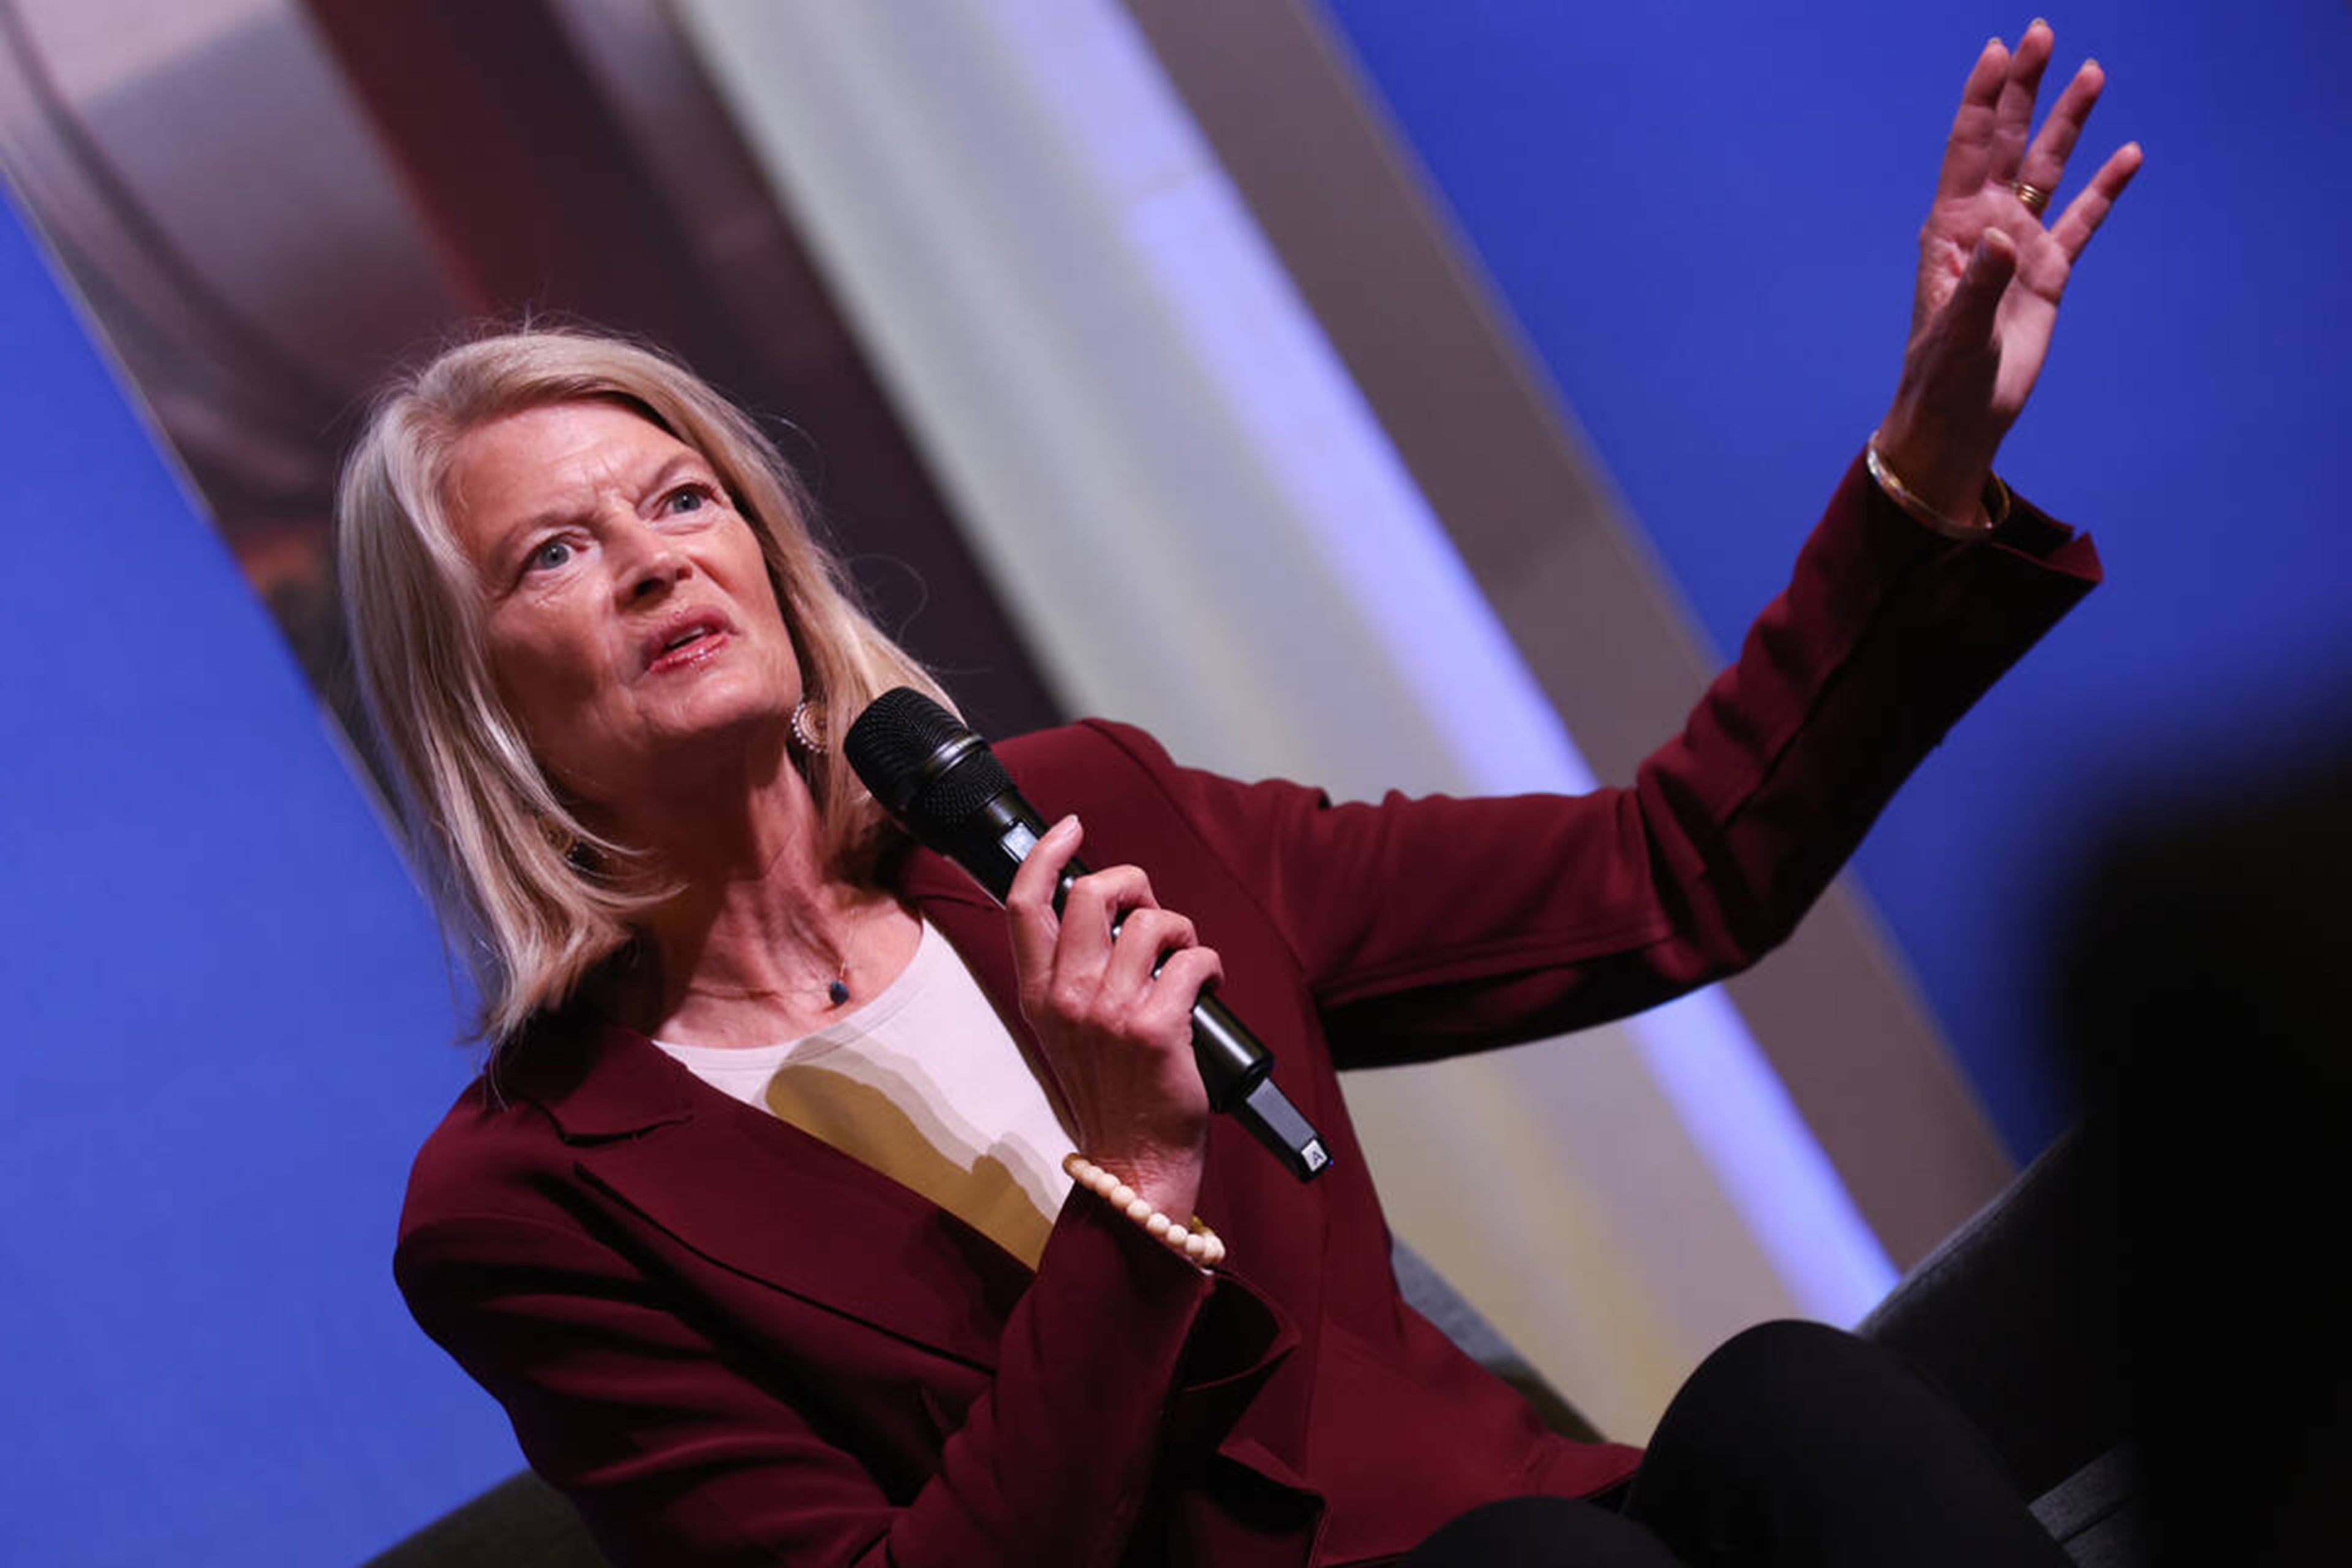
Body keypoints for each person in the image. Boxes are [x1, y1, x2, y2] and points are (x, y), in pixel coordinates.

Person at [345, 23, 2139, 1567]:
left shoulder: (1081, 816)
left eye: (683, 501)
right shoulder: (528, 1201)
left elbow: (1666, 878)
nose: (659, 566)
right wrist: (1128, 1185)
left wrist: (1926, 466)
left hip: (1556, 1536)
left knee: (1785, 1396)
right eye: (557, 554)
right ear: (470, 694)